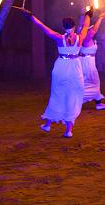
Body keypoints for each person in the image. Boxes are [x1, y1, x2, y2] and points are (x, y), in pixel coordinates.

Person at [21, 7, 91, 138]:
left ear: (63, 27)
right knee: (73, 96)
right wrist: (88, 14)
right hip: (75, 68)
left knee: (57, 95)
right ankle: (68, 130)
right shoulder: (80, 37)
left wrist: (30, 16)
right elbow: (86, 25)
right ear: (75, 26)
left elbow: (42, 27)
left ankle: (48, 125)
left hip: (61, 67)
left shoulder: (59, 37)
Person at [78, 8, 105, 110]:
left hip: (88, 62)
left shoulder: (85, 36)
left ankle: (98, 103)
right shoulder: (86, 38)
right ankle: (77, 101)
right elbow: (95, 29)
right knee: (88, 82)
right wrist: (101, 17)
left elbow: (92, 28)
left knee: (93, 82)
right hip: (86, 64)